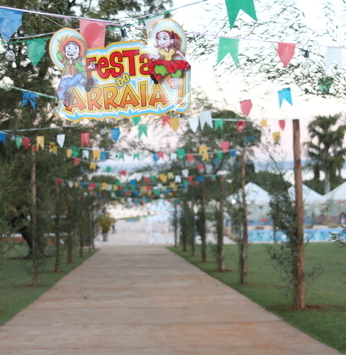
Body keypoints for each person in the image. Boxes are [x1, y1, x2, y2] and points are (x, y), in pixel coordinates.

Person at [56, 36, 95, 106]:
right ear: (65, 51)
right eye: (69, 48)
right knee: (59, 93)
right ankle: (65, 98)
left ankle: (85, 84)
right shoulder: (65, 61)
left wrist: (89, 67)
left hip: (73, 79)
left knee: (79, 75)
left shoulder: (75, 63)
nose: (71, 51)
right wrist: (62, 50)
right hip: (64, 81)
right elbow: (57, 55)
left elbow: (81, 68)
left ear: (79, 52)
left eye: (75, 48)